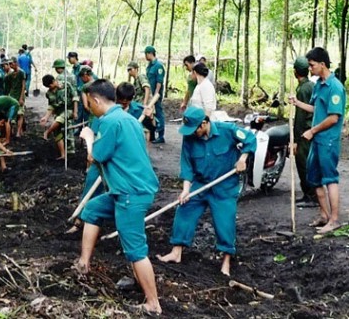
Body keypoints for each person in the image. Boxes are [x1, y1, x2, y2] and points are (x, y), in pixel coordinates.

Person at [77, 79, 161, 316]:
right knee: (92, 210)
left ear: (95, 100)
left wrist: (88, 138)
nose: (89, 109)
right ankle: (84, 264)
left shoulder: (110, 122)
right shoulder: (127, 118)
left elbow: (97, 157)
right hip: (127, 189)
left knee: (135, 248)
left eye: (88, 104)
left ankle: (153, 303)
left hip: (130, 193)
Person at [157, 106, 256, 276]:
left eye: (194, 129)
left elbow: (251, 139)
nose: (192, 133)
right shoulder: (189, 138)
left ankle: (226, 259)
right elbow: (187, 165)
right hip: (200, 185)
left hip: (224, 186)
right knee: (185, 209)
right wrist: (186, 190)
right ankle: (176, 251)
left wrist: (243, 158)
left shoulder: (227, 131)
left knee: (225, 222)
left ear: (204, 123)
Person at [289, 47, 346, 234]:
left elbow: (333, 118)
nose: (310, 68)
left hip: (327, 140)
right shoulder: (319, 85)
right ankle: (324, 215)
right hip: (316, 140)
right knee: (313, 178)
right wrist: (297, 103)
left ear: (322, 64)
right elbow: (316, 110)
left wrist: (312, 131)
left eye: (312, 65)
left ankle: (335, 219)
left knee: (330, 178)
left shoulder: (335, 87)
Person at [291, 57, 317, 208]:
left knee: (303, 163)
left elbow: (300, 116)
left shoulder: (303, 89)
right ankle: (310, 194)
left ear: (295, 72)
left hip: (305, 132)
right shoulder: (311, 85)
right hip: (311, 129)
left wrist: (295, 139)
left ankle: (311, 195)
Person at [40, 74, 78, 159]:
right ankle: (63, 154)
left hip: (69, 110)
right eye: (48, 87)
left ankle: (47, 132)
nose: (50, 87)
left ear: (54, 81)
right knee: (57, 132)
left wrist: (75, 112)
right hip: (58, 113)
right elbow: (51, 106)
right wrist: (46, 117)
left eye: (51, 85)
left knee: (60, 119)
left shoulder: (66, 85)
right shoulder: (49, 93)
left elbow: (75, 97)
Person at [145, 45, 166, 144]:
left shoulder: (158, 66)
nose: (145, 56)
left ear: (150, 53)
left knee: (158, 112)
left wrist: (156, 94)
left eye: (146, 54)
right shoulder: (149, 66)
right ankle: (153, 134)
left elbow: (159, 81)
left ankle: (161, 135)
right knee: (151, 114)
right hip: (151, 94)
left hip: (155, 94)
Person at [4, 56, 26, 138]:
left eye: (11, 63)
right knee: (12, 114)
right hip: (12, 96)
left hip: (19, 95)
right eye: (9, 64)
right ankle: (12, 130)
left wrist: (21, 97)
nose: (10, 65)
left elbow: (23, 86)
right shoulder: (11, 75)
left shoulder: (21, 72)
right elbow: (8, 86)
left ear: (16, 63)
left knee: (20, 114)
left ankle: (18, 131)